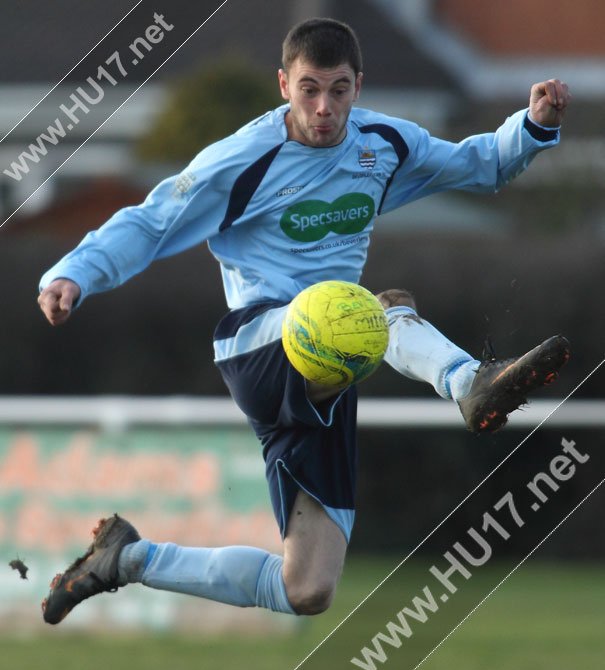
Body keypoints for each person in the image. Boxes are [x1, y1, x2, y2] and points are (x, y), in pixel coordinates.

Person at [37, 18, 570, 624]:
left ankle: (125, 559)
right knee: (373, 305)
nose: (324, 107)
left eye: (338, 90)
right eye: (309, 89)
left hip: (331, 362)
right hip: (257, 345)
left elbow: (478, 166)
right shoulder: (242, 160)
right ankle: (468, 381)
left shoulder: (383, 145)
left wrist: (533, 128)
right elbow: (153, 219)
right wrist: (75, 271)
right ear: (283, 85)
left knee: (307, 587)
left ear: (358, 86)